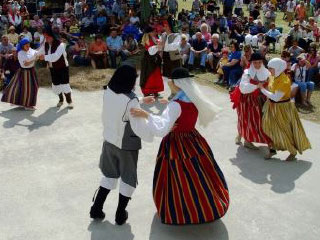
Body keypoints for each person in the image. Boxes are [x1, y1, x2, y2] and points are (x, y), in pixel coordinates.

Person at [130, 67, 229, 225]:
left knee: (176, 176)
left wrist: (146, 115)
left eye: (171, 81)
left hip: (176, 142)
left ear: (175, 83)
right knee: (199, 173)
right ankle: (206, 206)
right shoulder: (193, 97)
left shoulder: (175, 105)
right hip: (192, 138)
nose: (168, 83)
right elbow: (182, 111)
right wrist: (168, 103)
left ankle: (180, 211)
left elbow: (162, 128)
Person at [89, 65, 154, 225]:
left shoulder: (108, 90)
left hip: (109, 140)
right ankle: (120, 214)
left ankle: (96, 208)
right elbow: (138, 124)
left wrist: (139, 100)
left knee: (109, 175)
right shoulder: (131, 100)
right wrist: (153, 130)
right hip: (126, 145)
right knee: (127, 178)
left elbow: (121, 103)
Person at [259, 58, 311, 161]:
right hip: (272, 107)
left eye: (271, 68)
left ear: (278, 68)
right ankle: (273, 149)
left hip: (282, 109)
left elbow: (276, 97)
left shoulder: (284, 81)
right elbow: (269, 86)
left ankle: (292, 151)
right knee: (267, 127)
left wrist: (261, 89)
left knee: (283, 131)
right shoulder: (272, 76)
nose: (269, 70)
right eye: (269, 68)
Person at [231, 53, 272, 150]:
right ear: (251, 63)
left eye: (259, 62)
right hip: (248, 99)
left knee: (259, 121)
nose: (257, 65)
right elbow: (243, 87)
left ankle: (247, 138)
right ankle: (245, 138)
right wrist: (256, 86)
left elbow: (271, 86)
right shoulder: (247, 73)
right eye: (255, 63)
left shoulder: (267, 73)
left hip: (261, 99)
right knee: (247, 119)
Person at [1, 38, 41, 110]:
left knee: (29, 87)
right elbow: (25, 64)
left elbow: (37, 53)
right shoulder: (20, 53)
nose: (28, 45)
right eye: (26, 45)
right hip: (25, 72)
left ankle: (22, 103)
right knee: (28, 89)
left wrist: (36, 56)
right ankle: (27, 105)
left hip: (31, 71)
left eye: (28, 44)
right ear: (22, 46)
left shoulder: (31, 50)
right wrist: (34, 59)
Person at [43, 27, 73, 109]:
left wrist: (44, 57)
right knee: (56, 84)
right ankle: (61, 100)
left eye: (47, 37)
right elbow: (39, 51)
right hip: (53, 68)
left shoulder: (61, 45)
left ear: (52, 36)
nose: (46, 39)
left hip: (63, 67)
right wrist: (30, 54)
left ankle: (69, 101)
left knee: (65, 84)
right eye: (45, 37)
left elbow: (55, 57)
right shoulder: (46, 44)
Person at [140, 27, 164, 97]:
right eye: (153, 31)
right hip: (148, 61)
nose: (155, 33)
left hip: (155, 60)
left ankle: (155, 91)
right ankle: (147, 92)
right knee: (148, 76)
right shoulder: (147, 40)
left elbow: (159, 49)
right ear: (149, 33)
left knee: (156, 76)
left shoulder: (155, 38)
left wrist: (160, 46)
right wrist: (158, 46)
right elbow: (151, 51)